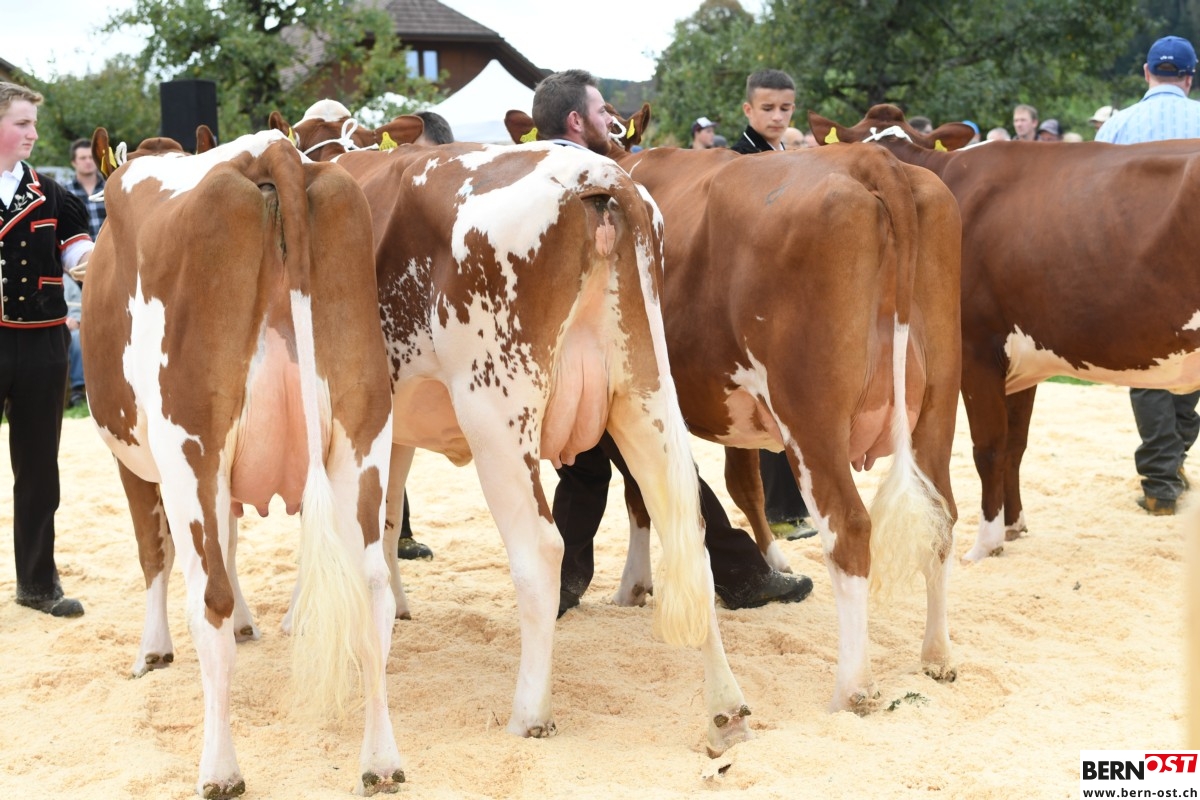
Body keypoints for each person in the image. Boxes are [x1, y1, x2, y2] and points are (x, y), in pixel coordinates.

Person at [531, 68, 813, 614]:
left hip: (549, 362)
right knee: (668, 465)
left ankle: (557, 585)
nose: (611, 120)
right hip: (607, 357)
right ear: (577, 121)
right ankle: (742, 577)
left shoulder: (526, 173)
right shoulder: (602, 178)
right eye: (602, 111)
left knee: (583, 472)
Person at [1095, 34, 1200, 515]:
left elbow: (1090, 198)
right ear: (1189, 78)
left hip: (1136, 263)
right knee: (1192, 364)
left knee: (1150, 369)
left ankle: (1161, 480)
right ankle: (1171, 462)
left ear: (1146, 73)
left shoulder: (1116, 125)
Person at [0, 81, 93, 617]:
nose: (33, 133)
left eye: (33, 123)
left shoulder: (54, 195)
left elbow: (78, 254)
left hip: (42, 343)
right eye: (22, 123)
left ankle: (37, 585)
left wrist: (95, 262)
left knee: (38, 469)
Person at [727, 69, 817, 538]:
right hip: (754, 296)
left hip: (786, 292)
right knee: (767, 405)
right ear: (748, 109)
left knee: (792, 402)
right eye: (767, 108)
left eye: (785, 108)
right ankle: (779, 513)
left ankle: (792, 507)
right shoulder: (738, 160)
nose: (777, 117)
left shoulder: (785, 155)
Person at [62, 138, 102, 410]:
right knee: (79, 324)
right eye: (83, 158)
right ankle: (81, 387)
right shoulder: (65, 192)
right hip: (74, 268)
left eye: (91, 157)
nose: (88, 162)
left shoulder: (110, 188)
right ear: (73, 162)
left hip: (107, 263)